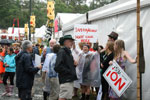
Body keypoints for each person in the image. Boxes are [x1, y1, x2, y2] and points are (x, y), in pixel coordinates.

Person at [54, 35, 77, 100]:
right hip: (66, 79)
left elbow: (66, 65)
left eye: (72, 42)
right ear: (65, 42)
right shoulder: (62, 52)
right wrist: (69, 71)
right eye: (70, 41)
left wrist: (73, 65)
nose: (72, 43)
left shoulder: (67, 51)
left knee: (66, 97)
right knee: (63, 98)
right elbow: (57, 67)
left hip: (68, 79)